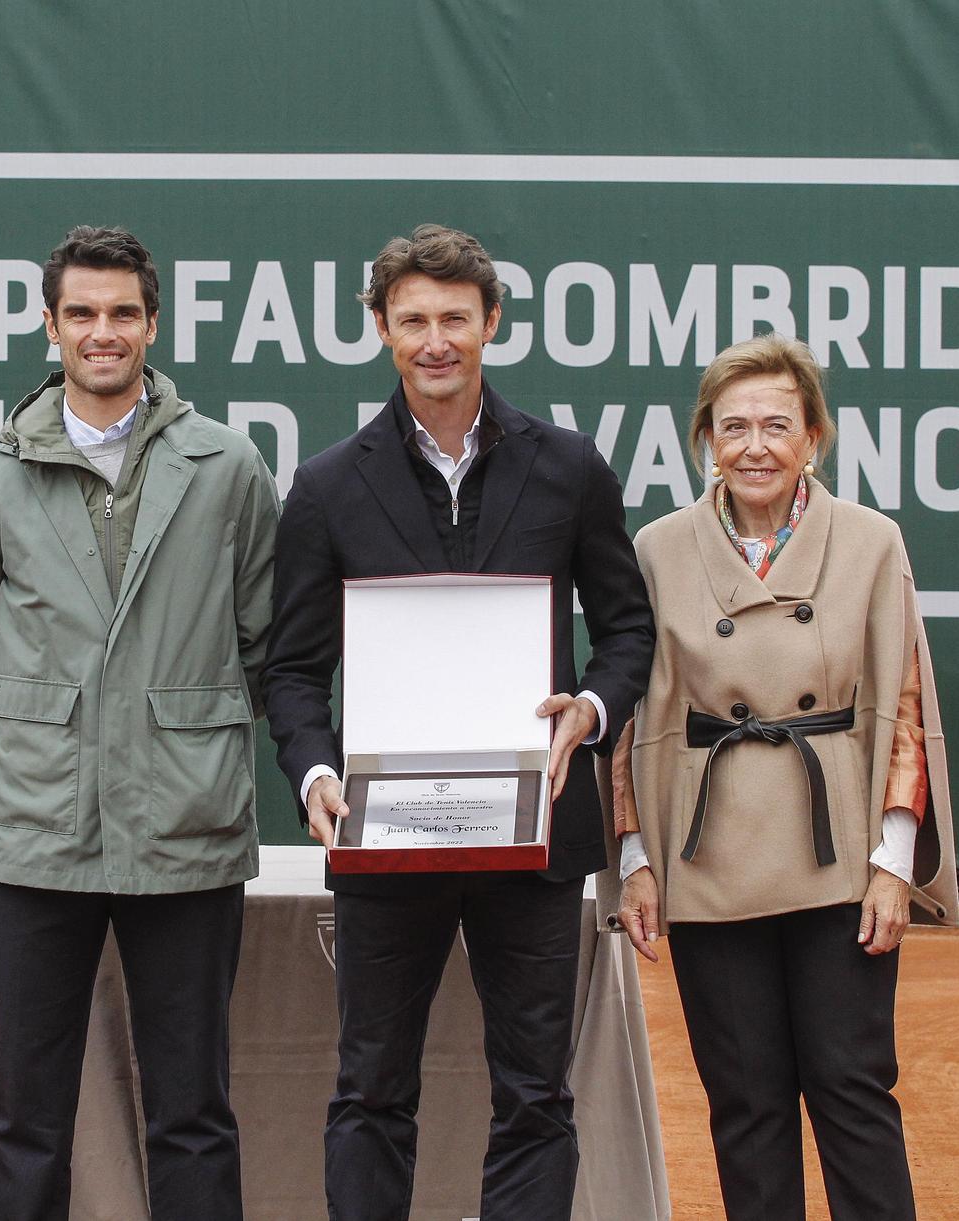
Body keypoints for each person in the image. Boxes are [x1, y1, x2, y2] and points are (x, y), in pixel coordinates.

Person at [262, 223, 655, 1220]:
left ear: (490, 323)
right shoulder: (325, 486)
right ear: (380, 330)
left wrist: (592, 710)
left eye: (452, 318)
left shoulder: (568, 467)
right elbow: (294, 671)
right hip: (384, 832)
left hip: (534, 831)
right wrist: (314, 778)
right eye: (411, 320)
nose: (433, 339)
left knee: (532, 1093)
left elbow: (626, 631)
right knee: (369, 1089)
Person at [0, 225, 279, 1221]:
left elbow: (260, 636)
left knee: (192, 1112)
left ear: (152, 324)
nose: (102, 331)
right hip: (40, 835)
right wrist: (51, 737)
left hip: (187, 828)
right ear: (49, 326)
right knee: (26, 1115)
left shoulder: (227, 467)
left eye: (122, 312)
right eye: (80, 313)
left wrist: (177, 733)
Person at [606, 332, 958, 1221]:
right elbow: (634, 707)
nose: (754, 445)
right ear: (705, 440)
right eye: (733, 427)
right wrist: (636, 856)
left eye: (776, 424)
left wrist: (892, 859)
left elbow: (902, 699)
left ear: (813, 437)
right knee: (746, 1104)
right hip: (707, 855)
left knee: (853, 1088)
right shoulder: (656, 548)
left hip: (837, 848)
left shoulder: (874, 541)